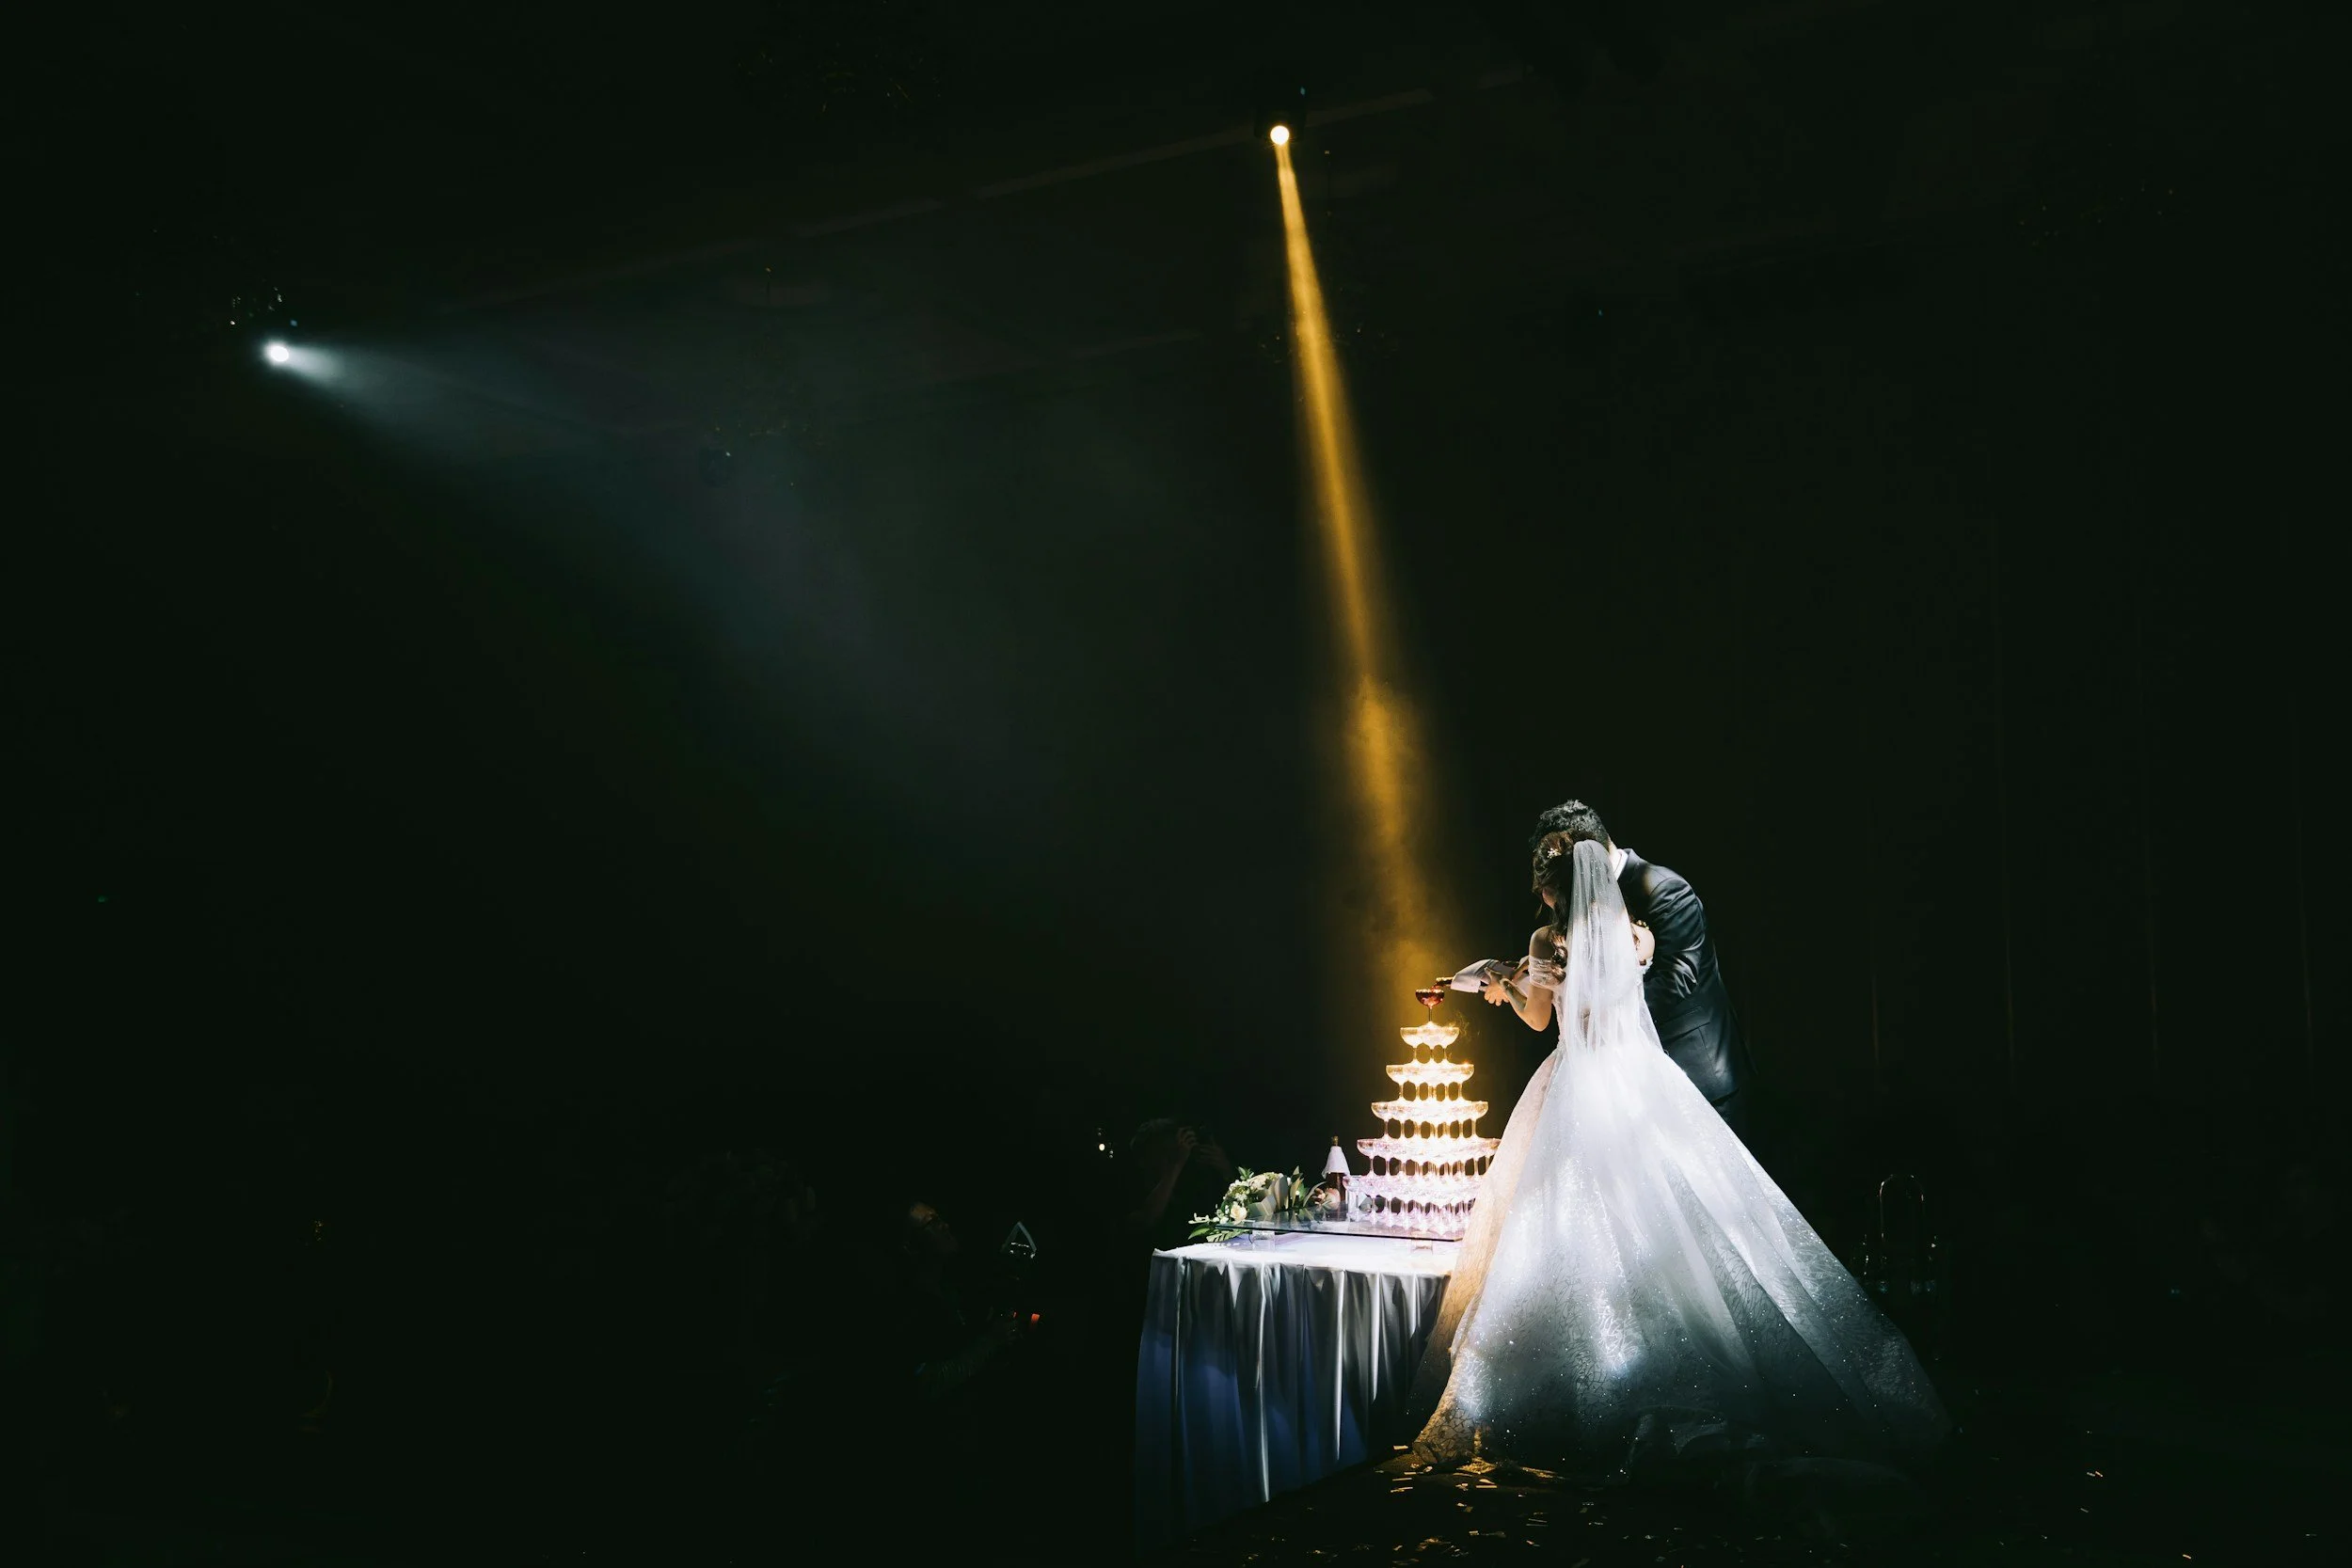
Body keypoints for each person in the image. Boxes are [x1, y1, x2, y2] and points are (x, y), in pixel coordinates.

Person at [1416, 837, 1947, 1471]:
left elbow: (1537, 1020)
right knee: (1660, 1217)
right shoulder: (1630, 932)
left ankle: (1572, 1383)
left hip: (1574, 1080)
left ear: (1552, 888)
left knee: (1562, 1221)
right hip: (1635, 1076)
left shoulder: (1541, 944)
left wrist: (1505, 982)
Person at [1485, 800, 1756, 1139]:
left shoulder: (1663, 888)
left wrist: (1589, 1008)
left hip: (1689, 1075)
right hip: (1622, 1083)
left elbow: (1678, 979)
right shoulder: (1616, 922)